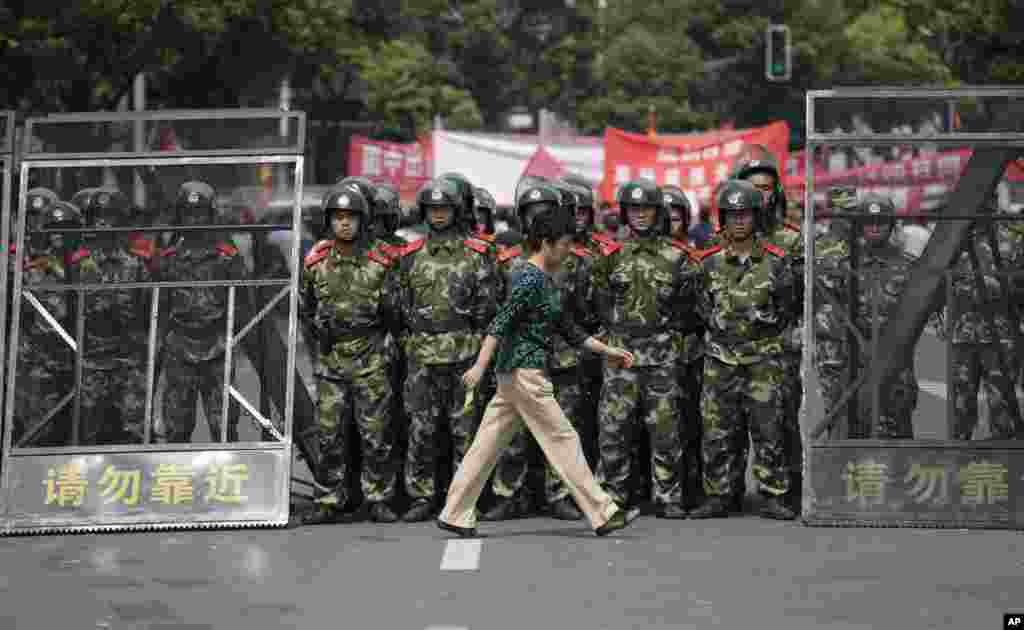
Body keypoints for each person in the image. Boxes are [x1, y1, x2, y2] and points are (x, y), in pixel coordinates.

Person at [437, 205, 641, 538]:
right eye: (564, 243)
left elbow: (569, 330)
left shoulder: (542, 280)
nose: (569, 250)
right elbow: (500, 322)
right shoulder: (529, 278)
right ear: (546, 243)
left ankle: (455, 512)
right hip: (525, 373)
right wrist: (479, 365)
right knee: (563, 438)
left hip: (515, 376)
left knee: (487, 444)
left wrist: (609, 352)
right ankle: (603, 512)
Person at [690, 179, 799, 520]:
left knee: (769, 428)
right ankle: (721, 494)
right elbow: (701, 308)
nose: (739, 221)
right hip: (720, 359)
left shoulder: (776, 262)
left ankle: (772, 494)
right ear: (723, 217)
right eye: (732, 214)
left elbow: (786, 309)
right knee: (718, 431)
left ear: (757, 217)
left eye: (746, 214)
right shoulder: (707, 263)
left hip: (763, 358)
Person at [396, 178, 500, 523]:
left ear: (457, 211)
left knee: (465, 431)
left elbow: (489, 309)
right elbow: (400, 307)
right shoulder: (410, 256)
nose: (438, 215)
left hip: (465, 353)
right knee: (421, 430)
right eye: (432, 208)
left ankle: (465, 497)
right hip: (423, 355)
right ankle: (422, 496)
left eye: (444, 208)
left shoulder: (479, 253)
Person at [299, 187, 403, 524]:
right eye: (338, 218)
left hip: (371, 358)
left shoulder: (383, 260)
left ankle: (378, 498)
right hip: (331, 361)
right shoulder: (315, 261)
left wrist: (387, 349)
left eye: (351, 218)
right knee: (329, 436)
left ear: (363, 220)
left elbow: (397, 313)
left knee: (376, 436)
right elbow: (306, 309)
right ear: (329, 221)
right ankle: (328, 498)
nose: (344, 224)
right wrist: (317, 352)